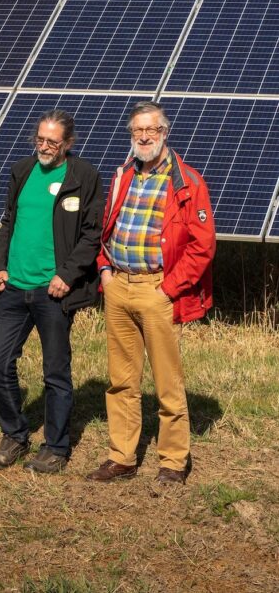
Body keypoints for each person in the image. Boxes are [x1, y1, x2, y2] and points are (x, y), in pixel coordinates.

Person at [87, 102, 215, 485]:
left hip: (157, 289)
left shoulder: (187, 182)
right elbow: (103, 226)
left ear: (164, 133)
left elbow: (202, 245)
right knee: (122, 379)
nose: (144, 137)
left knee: (166, 381)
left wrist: (169, 289)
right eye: (137, 131)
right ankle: (122, 456)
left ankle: (173, 461)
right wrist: (105, 270)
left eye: (151, 130)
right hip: (118, 286)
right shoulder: (123, 175)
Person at [0, 110, 103, 474]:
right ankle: (15, 434)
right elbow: (8, 222)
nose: (44, 146)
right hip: (14, 288)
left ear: (68, 143)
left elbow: (92, 234)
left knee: (55, 373)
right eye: (39, 139)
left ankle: (56, 447)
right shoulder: (22, 171)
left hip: (53, 293)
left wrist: (67, 275)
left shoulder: (84, 176)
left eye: (52, 141)